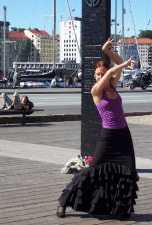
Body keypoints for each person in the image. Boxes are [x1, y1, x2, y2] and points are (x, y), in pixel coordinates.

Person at [57, 38, 138, 218]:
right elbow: (114, 69)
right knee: (92, 171)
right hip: (107, 137)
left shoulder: (113, 86)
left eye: (102, 74)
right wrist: (119, 66)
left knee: (128, 171)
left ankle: (121, 209)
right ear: (95, 76)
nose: (101, 76)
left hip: (123, 136)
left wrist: (106, 50)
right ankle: (64, 201)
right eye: (98, 74)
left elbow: (116, 66)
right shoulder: (96, 91)